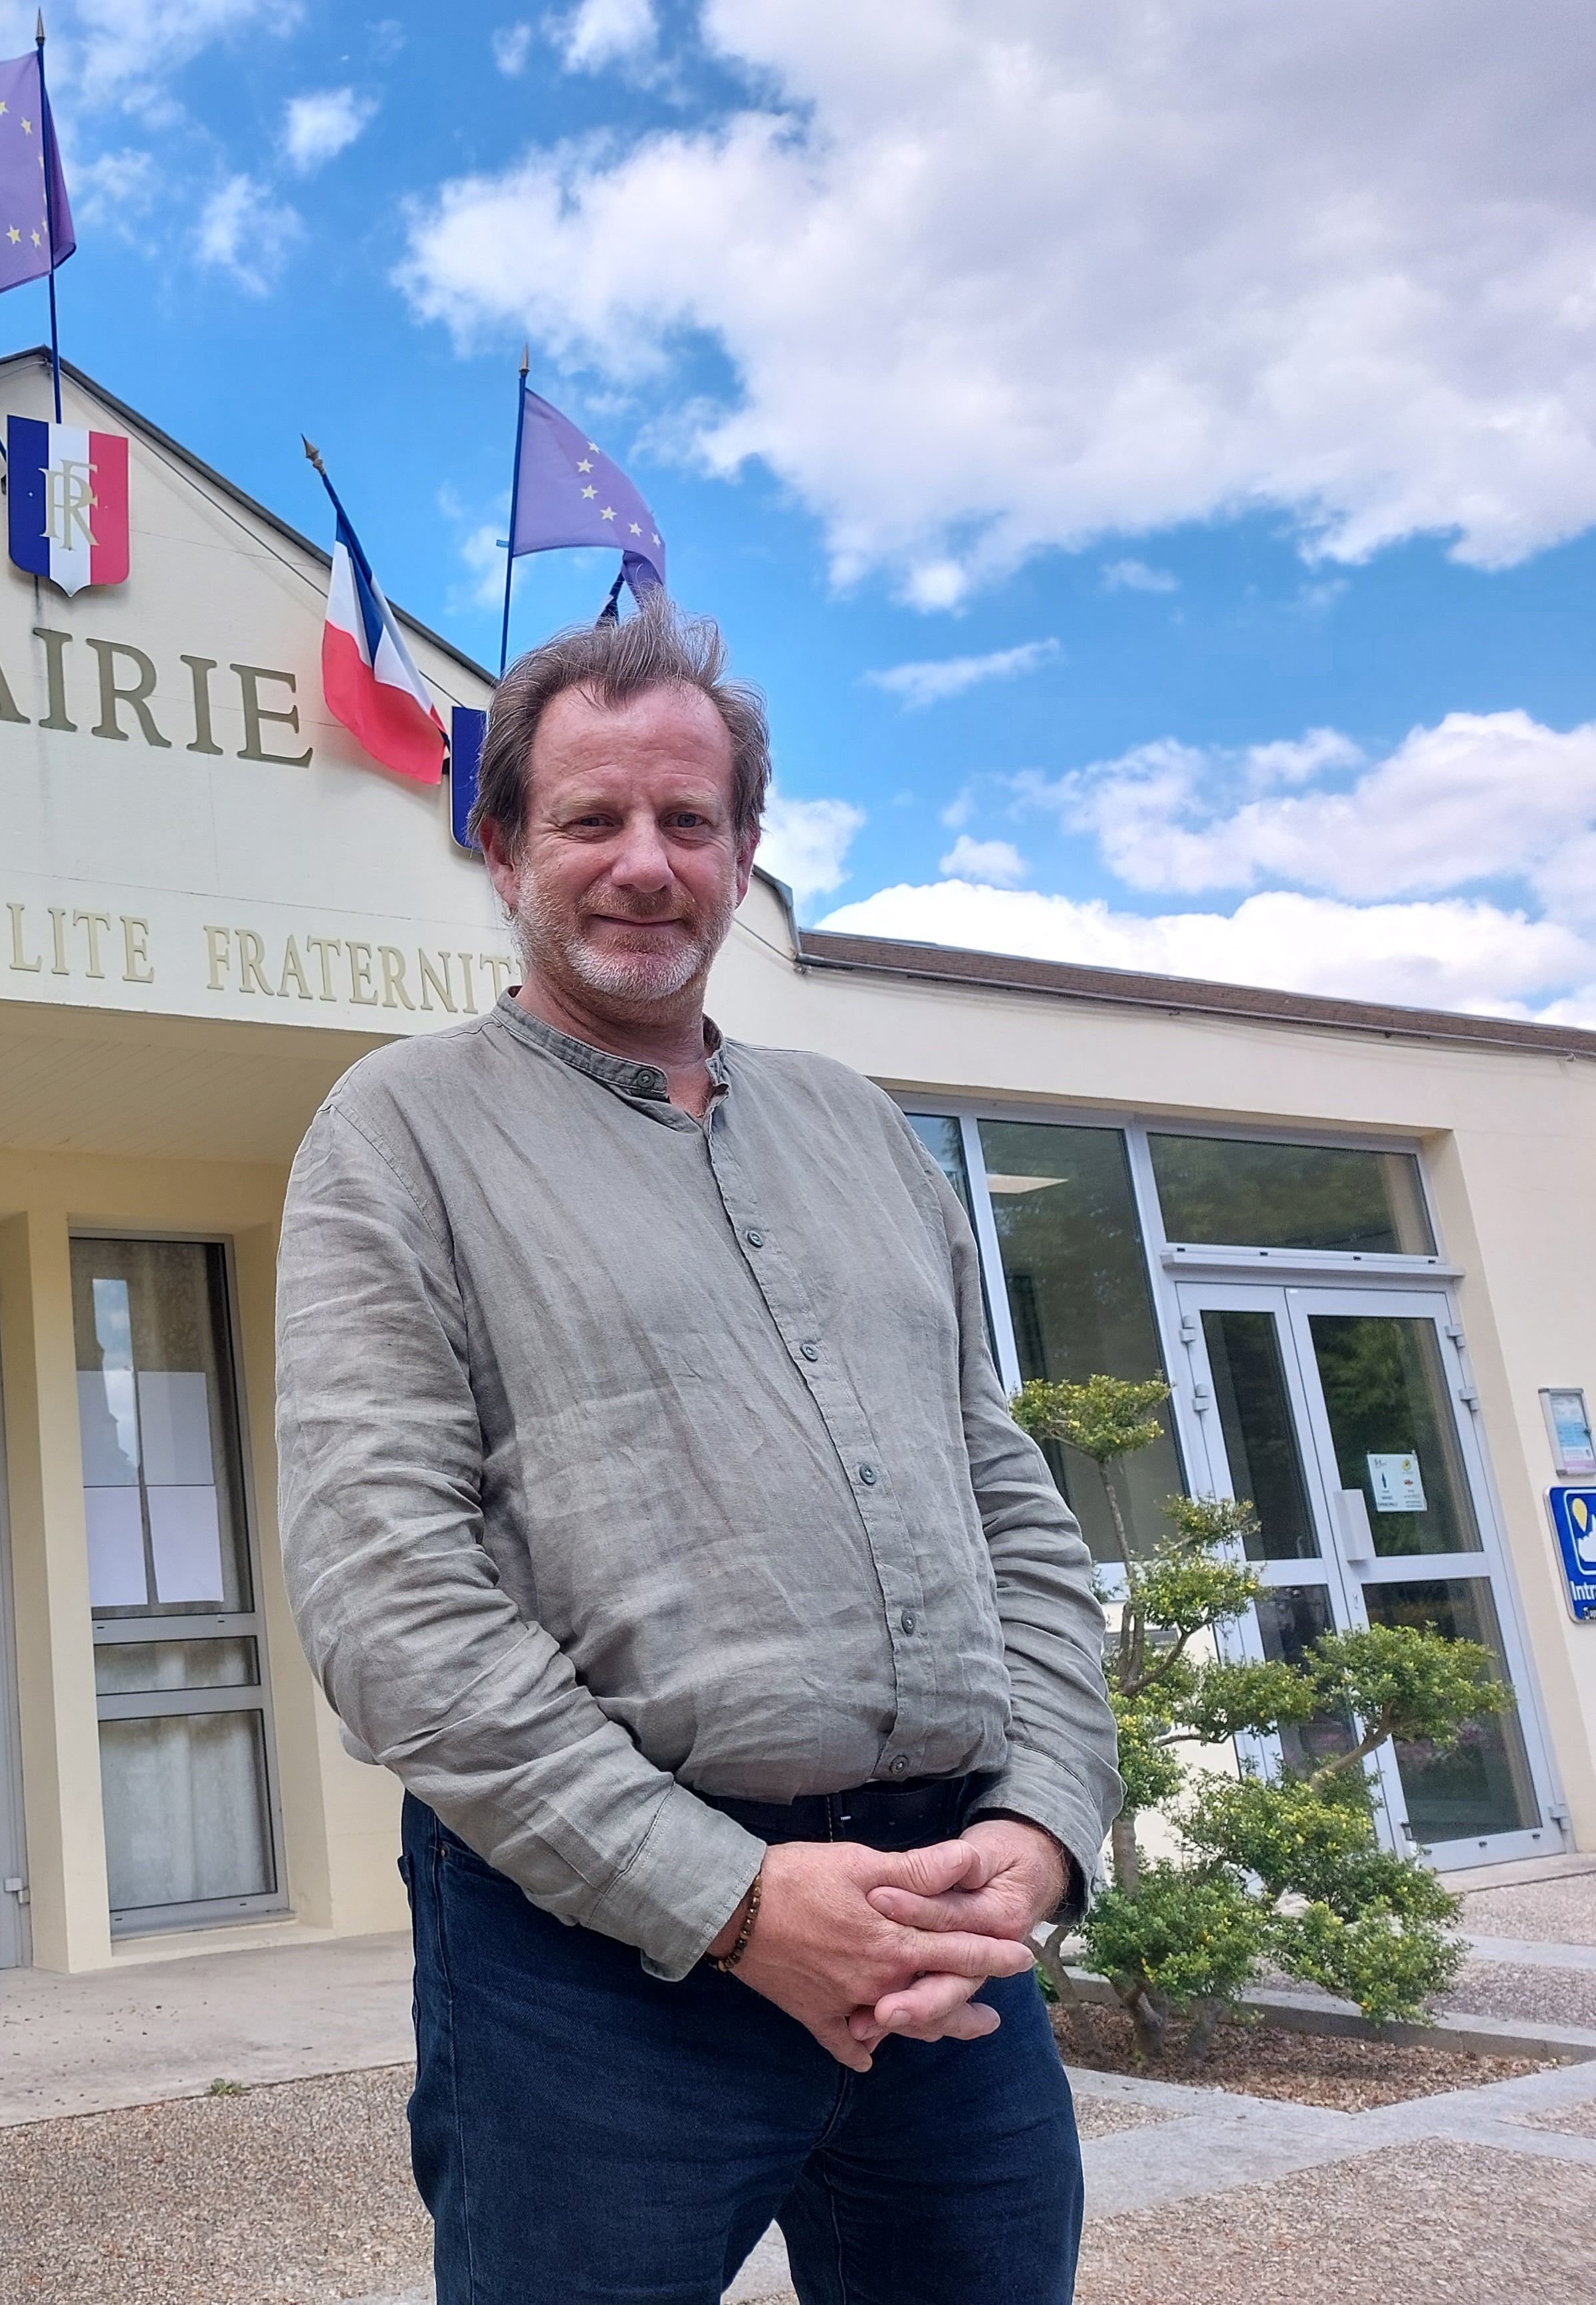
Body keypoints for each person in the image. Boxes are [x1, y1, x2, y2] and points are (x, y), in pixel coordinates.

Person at [275, 602, 1121, 2305]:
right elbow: (388, 1599)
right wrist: (729, 1900)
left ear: (745, 851)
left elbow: (1008, 1514)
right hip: (589, 1972)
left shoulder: (859, 1128)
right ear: (500, 845)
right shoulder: (398, 1131)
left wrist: (1041, 1823)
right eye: (590, 820)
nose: (642, 865)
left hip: (947, 1927)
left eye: (687, 822)